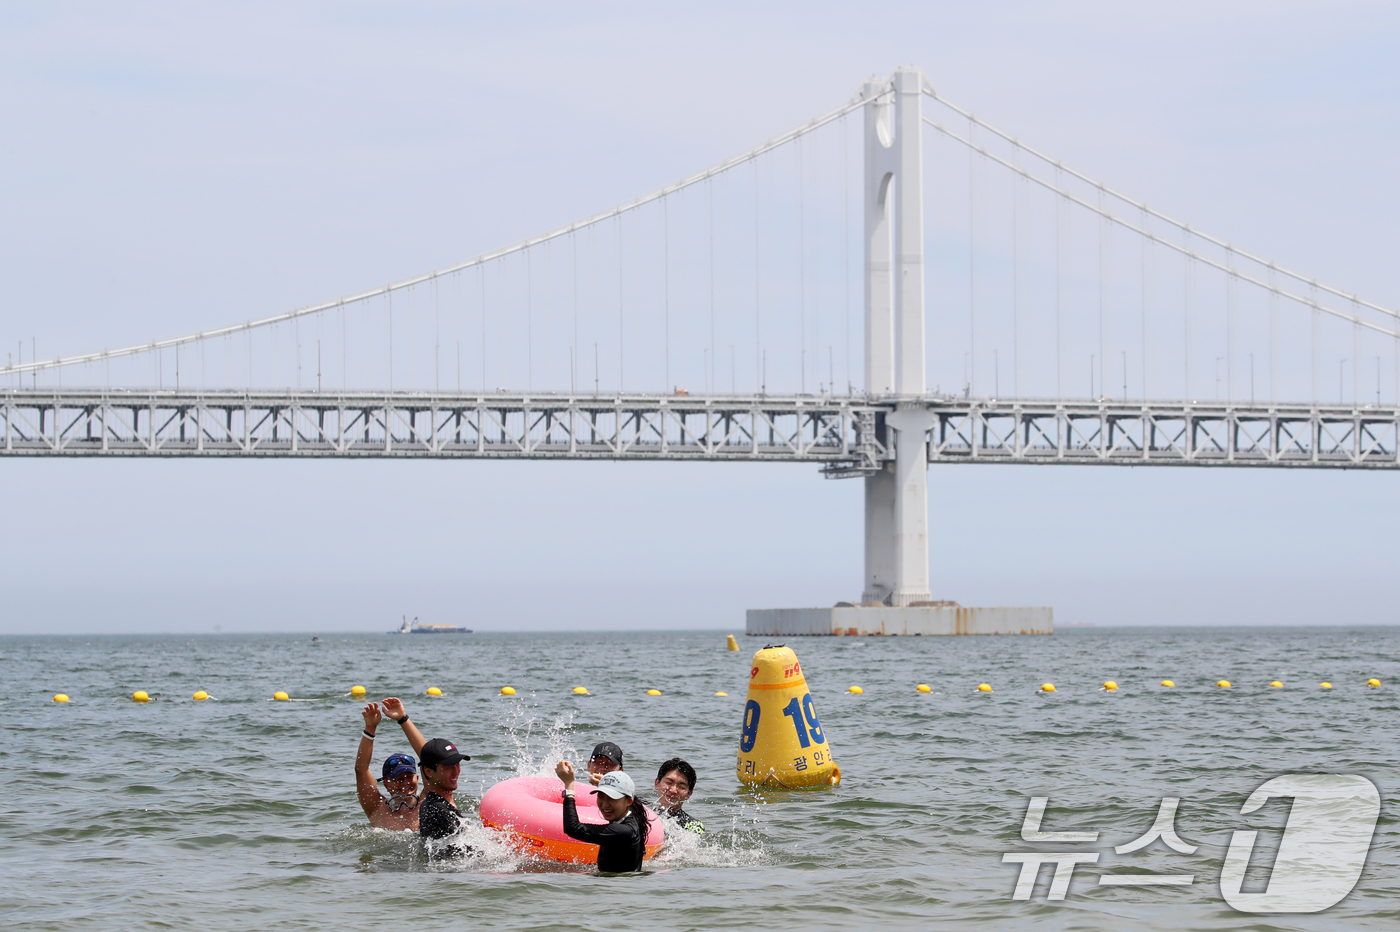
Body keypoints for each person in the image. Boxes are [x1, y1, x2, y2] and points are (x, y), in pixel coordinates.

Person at [554, 761, 649, 873]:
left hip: (618, 887)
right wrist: (606, 784)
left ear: (629, 801)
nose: (604, 804)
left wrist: (569, 786)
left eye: (611, 798)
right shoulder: (629, 815)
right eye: (601, 796)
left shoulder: (624, 831)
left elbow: (573, 828)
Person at [354, 698, 428, 830]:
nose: (405, 783)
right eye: (398, 779)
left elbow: (429, 759)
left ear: (417, 778)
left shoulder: (427, 802)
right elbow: (361, 770)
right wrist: (370, 728)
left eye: (408, 777)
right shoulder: (377, 808)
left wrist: (403, 719)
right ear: (386, 783)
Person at [418, 736, 473, 858]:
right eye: (448, 767)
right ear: (428, 772)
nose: (456, 772)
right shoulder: (436, 810)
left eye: (457, 765)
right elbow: (467, 854)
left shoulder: (441, 801)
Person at [654, 758, 705, 834]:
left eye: (681, 787)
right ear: (657, 783)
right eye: (669, 783)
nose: (673, 790)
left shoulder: (694, 825)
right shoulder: (640, 813)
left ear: (689, 794)